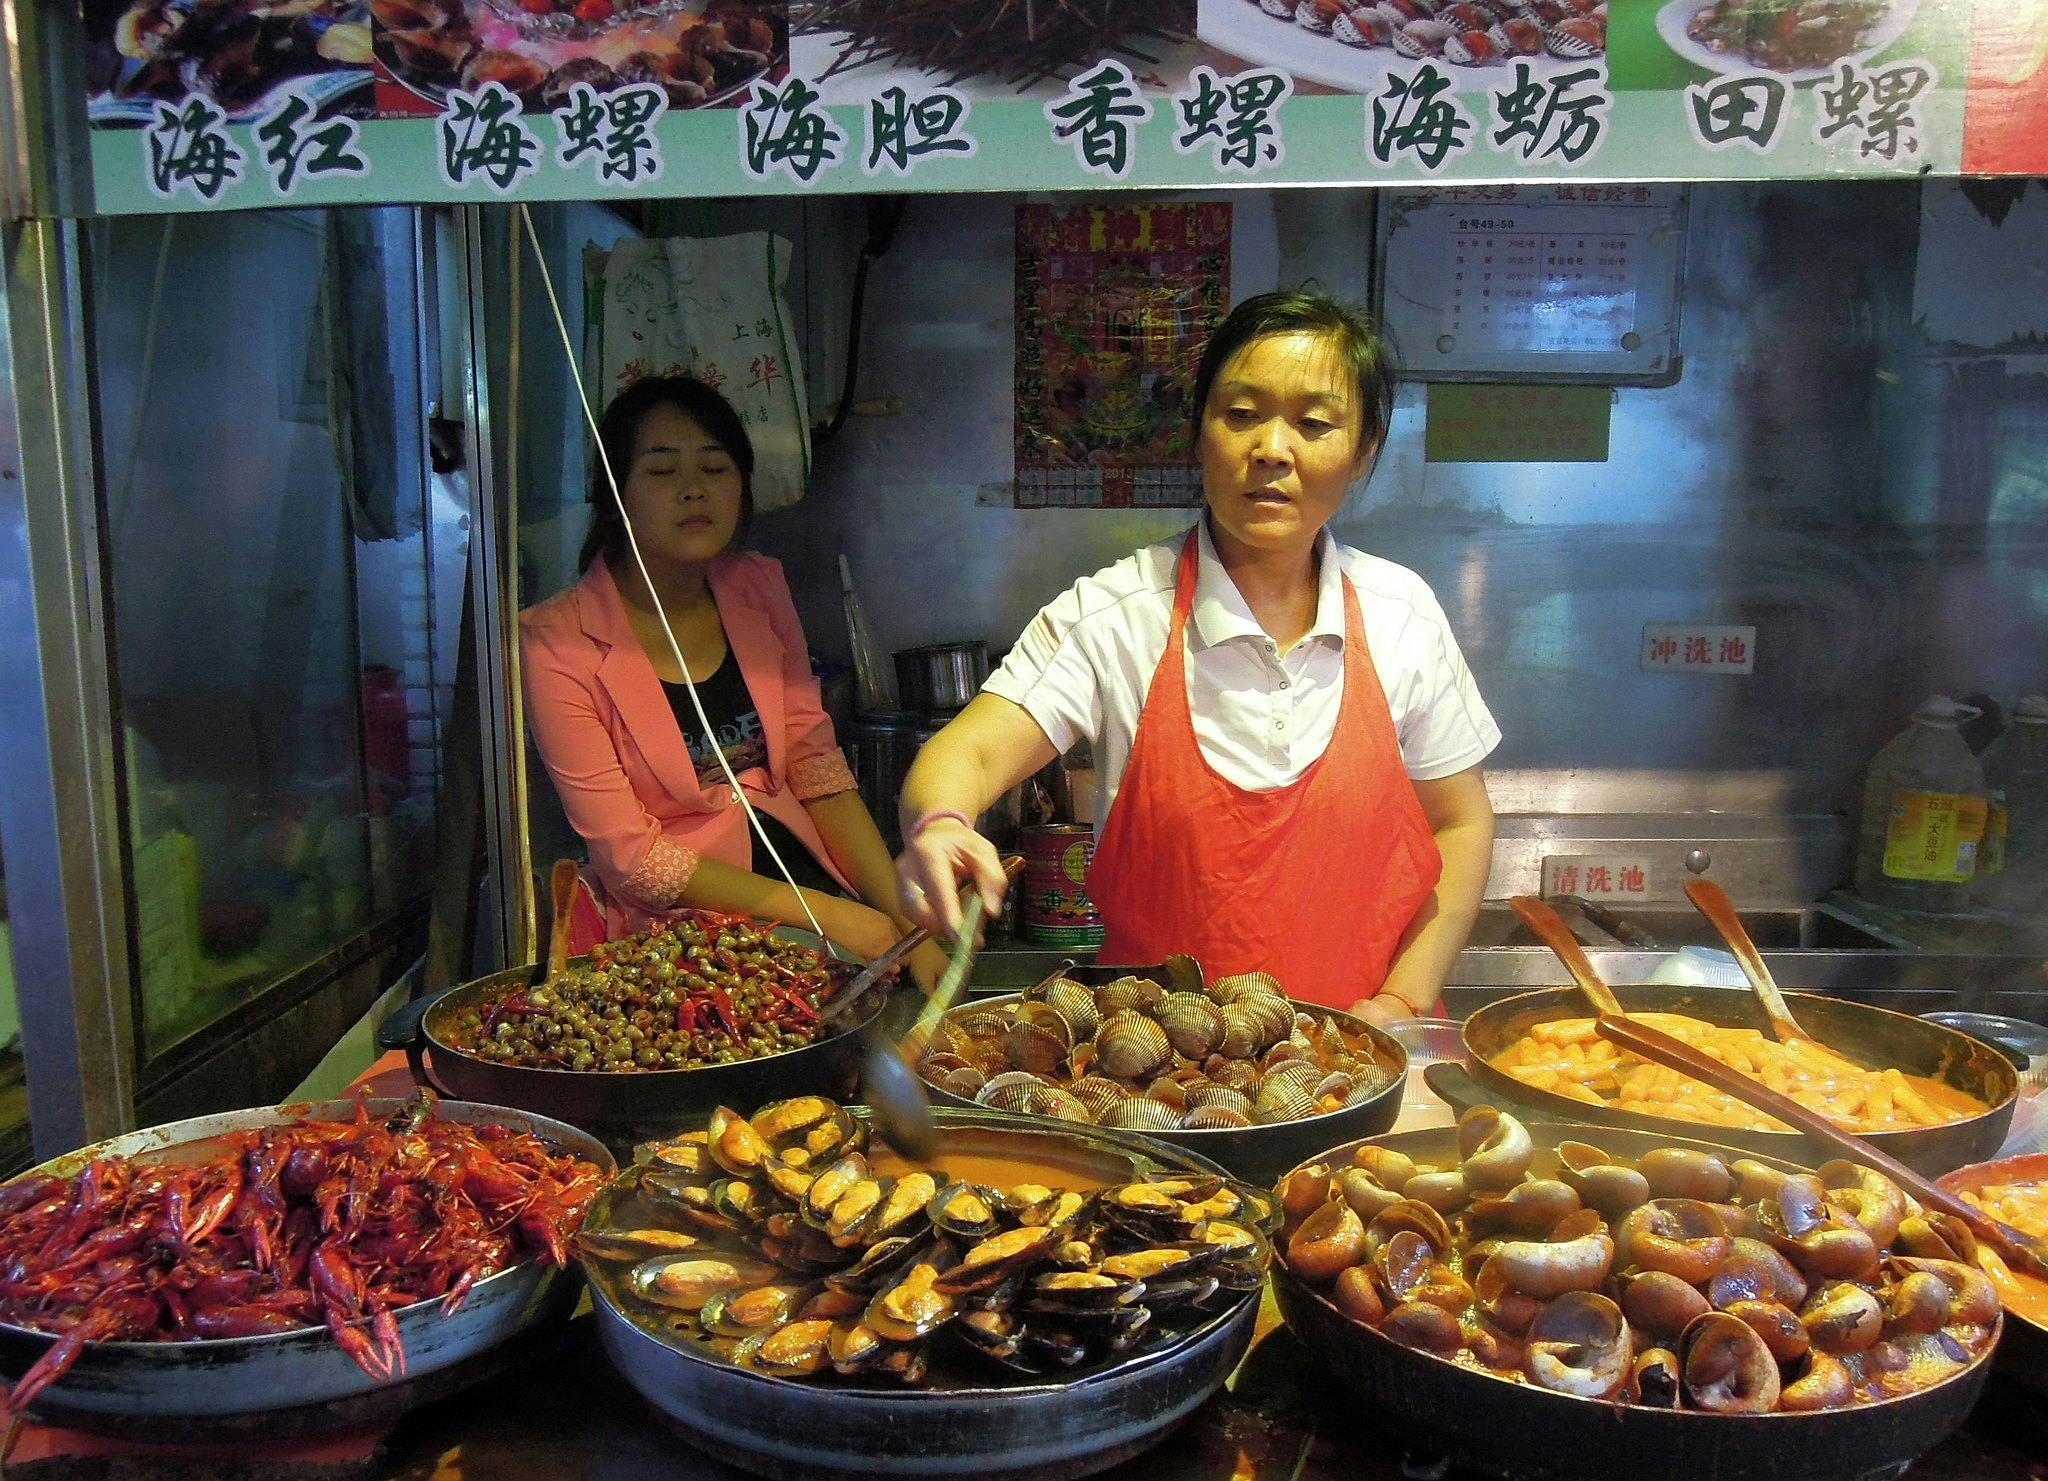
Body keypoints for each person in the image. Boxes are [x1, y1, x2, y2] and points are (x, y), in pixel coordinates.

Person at [895, 292, 1499, 1024]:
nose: (1272, 448)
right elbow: (972, 753)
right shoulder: (1118, 614)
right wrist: (941, 824)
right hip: (1154, 1088)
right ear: (1199, 431)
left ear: (1364, 448)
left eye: (1313, 423)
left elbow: (1461, 825)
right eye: (1241, 414)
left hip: (1365, 1072)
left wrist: (1402, 999)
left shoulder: (1404, 614)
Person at [522, 374, 943, 985]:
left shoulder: (757, 586)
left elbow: (816, 768)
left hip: (810, 883)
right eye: (662, 472)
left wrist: (904, 921)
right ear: (614, 492)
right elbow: (629, 857)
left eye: (715, 469)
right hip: (681, 936)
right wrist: (831, 918)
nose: (694, 490)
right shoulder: (557, 641)